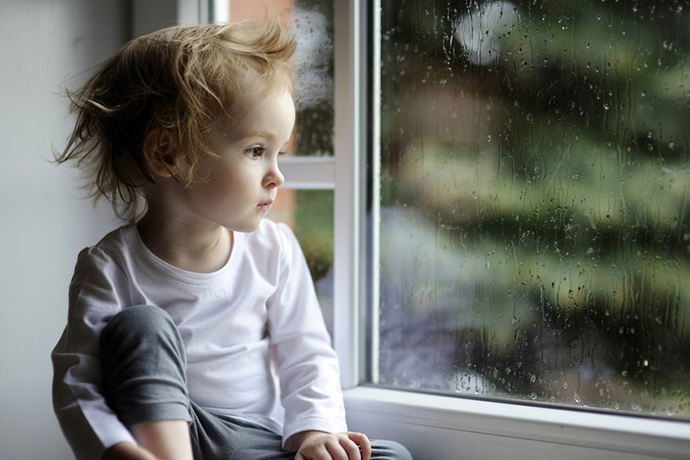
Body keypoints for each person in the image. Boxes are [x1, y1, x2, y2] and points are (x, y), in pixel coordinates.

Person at [51, 21, 412, 460]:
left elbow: (308, 356)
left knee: (388, 455)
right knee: (140, 326)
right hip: (181, 438)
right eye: (257, 150)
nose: (277, 175)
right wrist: (117, 451)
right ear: (168, 153)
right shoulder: (109, 267)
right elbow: (79, 383)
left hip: (257, 442)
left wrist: (316, 433)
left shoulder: (274, 250)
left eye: (279, 152)